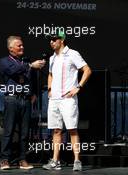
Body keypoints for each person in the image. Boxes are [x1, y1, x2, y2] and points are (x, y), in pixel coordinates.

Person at [42, 30, 92, 171]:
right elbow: (50, 75)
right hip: (54, 100)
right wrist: (50, 90)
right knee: (56, 130)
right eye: (50, 40)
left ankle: (77, 161)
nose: (51, 42)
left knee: (72, 130)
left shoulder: (73, 54)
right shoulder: (52, 58)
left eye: (54, 39)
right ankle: (55, 161)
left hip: (68, 99)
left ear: (61, 40)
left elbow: (87, 70)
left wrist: (78, 87)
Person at [0, 36, 46, 170]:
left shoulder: (26, 62)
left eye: (22, 45)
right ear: (11, 48)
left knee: (25, 132)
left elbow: (34, 79)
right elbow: (14, 70)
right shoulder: (4, 61)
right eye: (19, 45)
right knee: (9, 131)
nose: (22, 47)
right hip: (12, 99)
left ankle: (22, 159)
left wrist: (35, 93)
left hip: (25, 99)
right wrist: (30, 66)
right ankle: (4, 159)